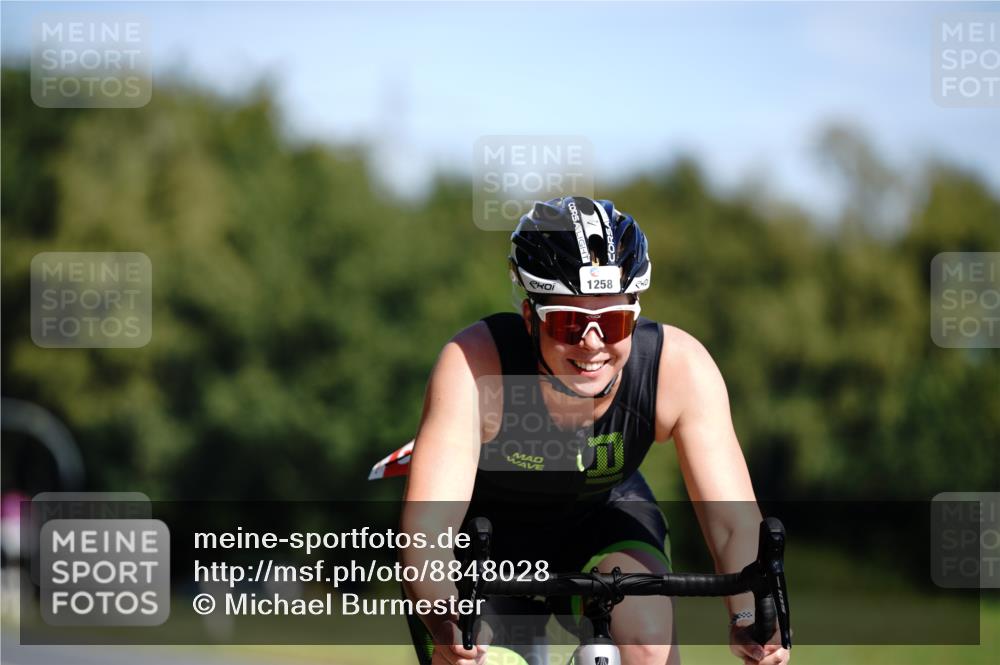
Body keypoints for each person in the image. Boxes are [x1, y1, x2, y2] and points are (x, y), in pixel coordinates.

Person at [400, 196, 790, 665]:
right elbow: (427, 528)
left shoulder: (679, 368)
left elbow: (732, 522)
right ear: (530, 318)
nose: (592, 343)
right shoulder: (474, 364)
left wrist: (749, 615)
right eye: (568, 323)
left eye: (614, 321)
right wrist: (446, 621)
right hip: (482, 538)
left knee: (647, 640)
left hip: (603, 517)